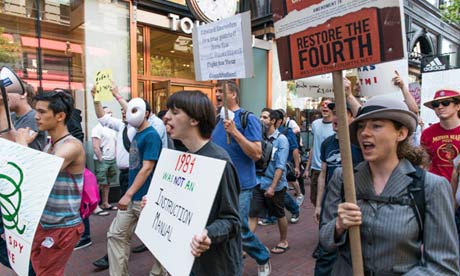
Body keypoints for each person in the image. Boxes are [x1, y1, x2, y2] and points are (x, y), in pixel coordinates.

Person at [320, 95, 460, 275]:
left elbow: (444, 266)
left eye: (376, 126)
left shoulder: (431, 186)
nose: (365, 133)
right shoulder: (343, 178)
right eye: (361, 126)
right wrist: (338, 226)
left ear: (400, 134)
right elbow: (325, 239)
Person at [164, 90, 242, 276]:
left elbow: (232, 221)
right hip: (189, 263)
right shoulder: (183, 157)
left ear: (194, 120)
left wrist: (208, 234)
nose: (166, 117)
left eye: (175, 113)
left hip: (216, 266)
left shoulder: (219, 162)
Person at [14, 91, 86, 275]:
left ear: (60, 116)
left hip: (62, 227)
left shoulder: (72, 146)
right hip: (46, 224)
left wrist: (22, 143)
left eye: (42, 112)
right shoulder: (50, 144)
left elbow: (39, 173)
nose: (36, 117)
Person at [211, 80, 271, 276]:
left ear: (234, 94)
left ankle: (262, 255)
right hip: (217, 183)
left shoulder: (248, 118)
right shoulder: (215, 120)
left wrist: (235, 132)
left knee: (240, 229)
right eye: (216, 91)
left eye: (221, 91)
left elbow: (256, 153)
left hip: (241, 185)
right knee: (224, 229)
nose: (217, 94)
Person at [106, 97, 166, 276]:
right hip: (132, 197)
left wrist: (128, 194)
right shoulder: (136, 132)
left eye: (135, 111)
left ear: (147, 114)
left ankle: (159, 274)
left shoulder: (152, 135)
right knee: (116, 235)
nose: (128, 114)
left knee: (157, 242)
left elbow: (147, 167)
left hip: (145, 198)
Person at [313, 101, 363, 276]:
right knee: (325, 252)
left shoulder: (362, 144)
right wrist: (319, 204)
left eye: (340, 113)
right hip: (331, 204)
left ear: (352, 117)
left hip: (354, 206)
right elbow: (322, 174)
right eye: (333, 113)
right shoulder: (327, 143)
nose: (335, 118)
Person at [249, 109, 290, 255]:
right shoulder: (259, 138)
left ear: (273, 121)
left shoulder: (281, 140)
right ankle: (248, 244)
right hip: (258, 182)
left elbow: (280, 166)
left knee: (279, 214)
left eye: (265, 117)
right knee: (253, 213)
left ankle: (284, 240)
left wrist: (273, 187)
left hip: (275, 185)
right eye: (260, 116)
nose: (261, 120)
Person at [421, 89, 460, 186]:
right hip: (436, 188)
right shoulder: (427, 133)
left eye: (445, 103)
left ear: (458, 106)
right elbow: (424, 163)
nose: (440, 107)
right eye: (436, 104)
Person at [304, 97, 335, 207]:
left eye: (328, 105)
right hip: (316, 169)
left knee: (330, 201)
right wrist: (307, 168)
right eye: (323, 104)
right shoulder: (315, 124)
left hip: (331, 169)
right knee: (315, 200)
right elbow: (313, 146)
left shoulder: (335, 125)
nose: (325, 106)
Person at [91, 106, 118, 214]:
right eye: (107, 112)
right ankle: (95, 205)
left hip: (111, 159)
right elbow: (95, 146)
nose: (110, 114)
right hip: (102, 160)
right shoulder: (97, 128)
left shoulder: (112, 129)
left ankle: (105, 203)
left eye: (111, 112)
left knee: (107, 183)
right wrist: (100, 158)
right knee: (99, 183)